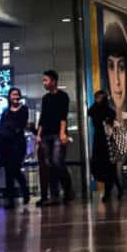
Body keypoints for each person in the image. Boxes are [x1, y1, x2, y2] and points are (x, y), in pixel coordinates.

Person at [37, 70, 74, 206]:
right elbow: (42, 117)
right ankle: (54, 195)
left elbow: (63, 116)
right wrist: (38, 135)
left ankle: (68, 190)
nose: (44, 83)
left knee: (57, 162)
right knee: (49, 165)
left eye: (46, 80)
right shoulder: (45, 98)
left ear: (53, 81)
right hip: (46, 134)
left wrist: (63, 133)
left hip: (58, 133)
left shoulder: (63, 96)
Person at [0, 88, 31, 209]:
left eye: (17, 94)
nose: (15, 96)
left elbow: (21, 124)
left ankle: (24, 190)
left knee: (15, 168)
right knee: (8, 171)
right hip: (7, 145)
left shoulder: (24, 109)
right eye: (13, 94)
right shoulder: (5, 112)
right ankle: (10, 199)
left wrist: (12, 128)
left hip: (18, 143)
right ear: (9, 97)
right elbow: (1, 126)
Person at [88, 90, 122, 203]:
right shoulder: (94, 110)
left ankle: (108, 192)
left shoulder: (109, 111)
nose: (98, 99)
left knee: (110, 166)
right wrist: (97, 102)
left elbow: (111, 118)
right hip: (98, 141)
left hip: (108, 141)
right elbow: (90, 112)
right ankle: (118, 188)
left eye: (99, 98)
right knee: (102, 166)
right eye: (96, 97)